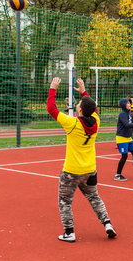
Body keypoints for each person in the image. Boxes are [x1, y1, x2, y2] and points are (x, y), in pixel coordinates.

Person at [46, 77, 116, 242]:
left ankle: (69, 232)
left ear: (81, 110)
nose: (76, 104)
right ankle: (107, 224)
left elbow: (51, 109)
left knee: (64, 201)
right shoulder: (96, 121)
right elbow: (94, 108)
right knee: (94, 198)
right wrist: (83, 90)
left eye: (79, 104)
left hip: (72, 170)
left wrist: (53, 88)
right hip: (90, 169)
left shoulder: (72, 123)